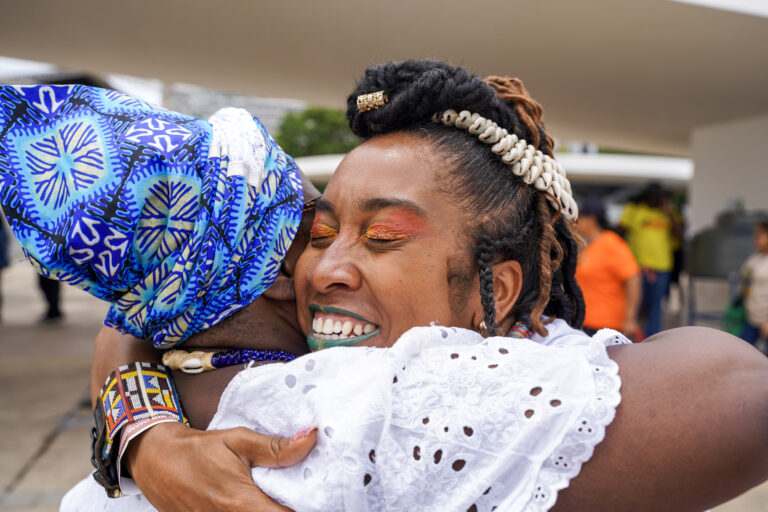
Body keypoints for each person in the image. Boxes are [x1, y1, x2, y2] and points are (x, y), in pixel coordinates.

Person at [3, 65, 767, 511]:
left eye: (382, 236)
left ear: (498, 286)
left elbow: (124, 327)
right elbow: (737, 389)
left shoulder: (187, 390)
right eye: (320, 233)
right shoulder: (385, 405)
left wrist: (142, 428)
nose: (320, 269)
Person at [575, 199, 641, 338]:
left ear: (591, 219)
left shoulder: (611, 244)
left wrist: (630, 318)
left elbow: (633, 279)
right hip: (588, 323)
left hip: (606, 326)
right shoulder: (592, 246)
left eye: (580, 217)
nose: (576, 222)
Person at [619, 183, 676, 335]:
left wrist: (670, 214)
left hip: (662, 267)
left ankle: (652, 338)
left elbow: (678, 235)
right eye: (654, 197)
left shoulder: (666, 214)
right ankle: (630, 338)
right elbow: (620, 231)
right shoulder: (634, 209)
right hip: (638, 266)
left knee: (656, 307)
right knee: (634, 305)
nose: (657, 200)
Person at [740, 220, 768, 352]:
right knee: (742, 351)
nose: (755, 239)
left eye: (759, 235)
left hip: (765, 319)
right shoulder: (755, 258)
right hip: (752, 316)